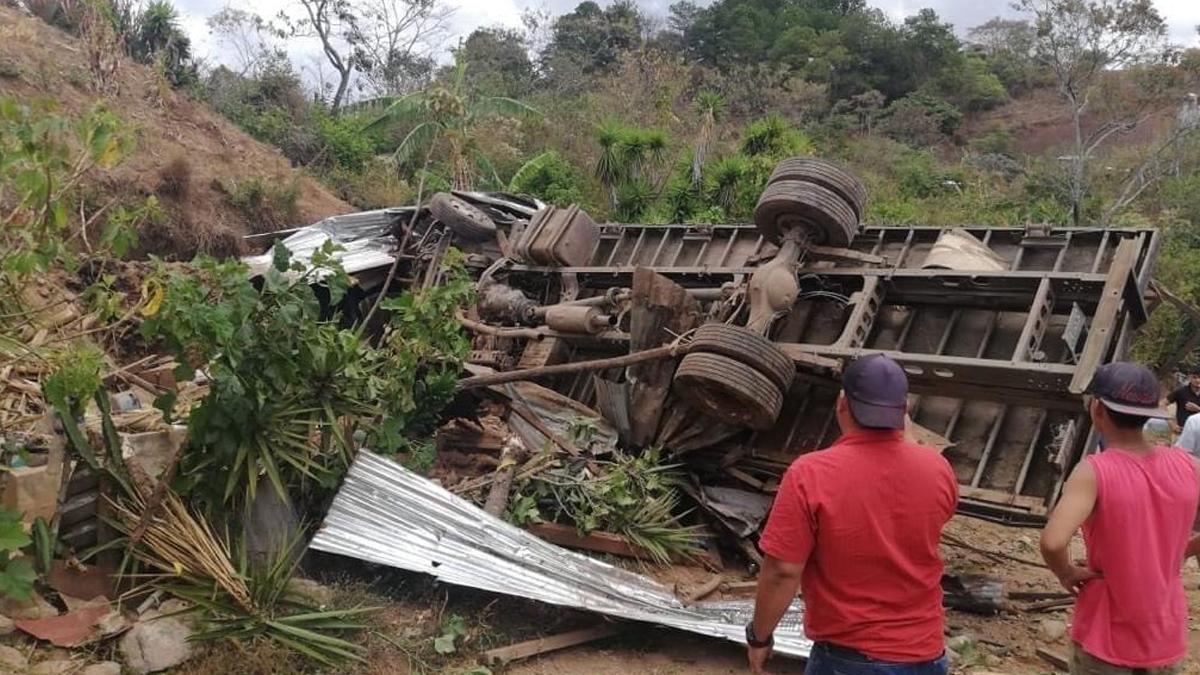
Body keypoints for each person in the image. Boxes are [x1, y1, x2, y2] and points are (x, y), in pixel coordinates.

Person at [746, 354, 958, 675]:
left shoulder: (810, 474)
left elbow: (782, 572)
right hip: (926, 655)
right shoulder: (938, 469)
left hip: (849, 659)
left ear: (842, 403)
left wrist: (759, 637)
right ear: (905, 411)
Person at [1040, 362, 1200, 675]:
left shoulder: (1095, 471)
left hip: (1106, 632)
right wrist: (1183, 551)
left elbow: (1053, 540)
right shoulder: (1189, 466)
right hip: (1164, 634)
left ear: (1097, 408)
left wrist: (1066, 572)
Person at [1165, 366, 1200, 434]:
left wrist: (1198, 409)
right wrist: (1171, 423)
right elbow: (1162, 404)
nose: (1198, 380)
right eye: (1195, 377)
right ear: (1189, 378)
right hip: (1182, 432)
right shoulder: (1181, 391)